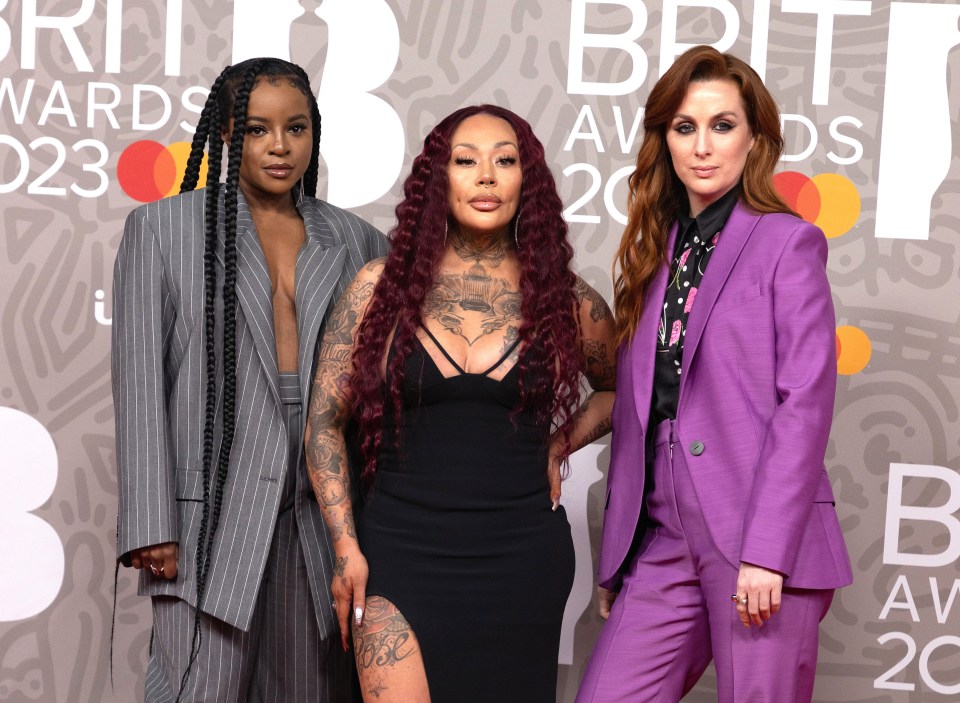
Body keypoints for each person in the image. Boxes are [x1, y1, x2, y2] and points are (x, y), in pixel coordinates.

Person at [305, 104, 617, 703]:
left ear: (529, 181)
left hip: (521, 558)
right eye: (465, 160)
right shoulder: (379, 288)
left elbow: (620, 393)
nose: (486, 176)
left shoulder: (566, 300)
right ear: (436, 179)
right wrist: (346, 546)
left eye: (506, 160)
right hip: (398, 551)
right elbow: (323, 419)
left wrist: (561, 441)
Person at [575, 46, 853, 703]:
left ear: (754, 139)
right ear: (664, 139)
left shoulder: (788, 243)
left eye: (723, 125)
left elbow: (804, 402)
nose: (703, 145)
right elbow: (641, 409)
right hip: (663, 535)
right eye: (685, 126)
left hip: (759, 531)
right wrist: (621, 551)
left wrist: (767, 551)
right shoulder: (654, 251)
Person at [112, 57, 388, 702]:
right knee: (197, 687)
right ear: (227, 135)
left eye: (296, 128)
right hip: (211, 511)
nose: (280, 146)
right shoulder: (162, 229)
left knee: (308, 687)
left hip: (319, 505)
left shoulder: (358, 242)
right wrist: (154, 521)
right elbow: (139, 382)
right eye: (258, 129)